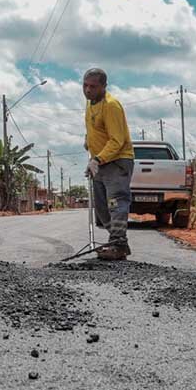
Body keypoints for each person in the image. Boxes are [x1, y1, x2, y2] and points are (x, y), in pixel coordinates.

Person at [82, 67, 135, 261]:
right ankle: (117, 242)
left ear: (104, 86)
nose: (88, 90)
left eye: (93, 87)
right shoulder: (90, 104)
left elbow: (117, 140)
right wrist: (88, 139)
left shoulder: (111, 105)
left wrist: (97, 159)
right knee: (102, 208)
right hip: (100, 163)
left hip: (117, 162)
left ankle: (118, 243)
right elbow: (96, 127)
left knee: (116, 203)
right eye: (85, 86)